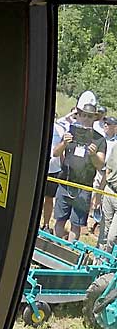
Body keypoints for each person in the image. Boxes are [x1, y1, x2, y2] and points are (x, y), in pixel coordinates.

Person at [53, 91, 106, 241]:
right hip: (65, 182)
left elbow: (100, 164)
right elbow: (56, 153)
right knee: (60, 219)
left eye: (90, 116)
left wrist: (93, 154)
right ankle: (56, 248)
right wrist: (64, 143)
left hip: (83, 188)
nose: (86, 118)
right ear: (79, 115)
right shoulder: (70, 131)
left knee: (76, 224)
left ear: (94, 118)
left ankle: (68, 252)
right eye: (83, 114)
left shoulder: (99, 139)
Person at [97, 117, 117, 251]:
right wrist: (100, 193)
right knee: (104, 231)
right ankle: (99, 261)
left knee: (112, 236)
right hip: (109, 190)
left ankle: (109, 263)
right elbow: (108, 169)